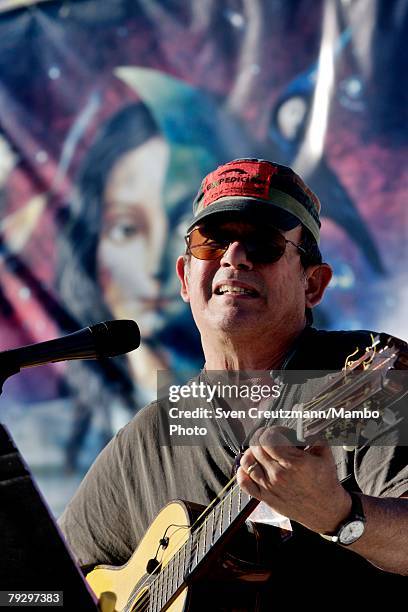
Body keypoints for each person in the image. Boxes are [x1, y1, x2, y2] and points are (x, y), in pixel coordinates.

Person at [59, 159, 408, 607]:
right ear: (186, 277)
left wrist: (340, 516)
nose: (233, 256)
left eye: (262, 244)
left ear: (313, 284)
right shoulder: (151, 436)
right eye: (212, 243)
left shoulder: (365, 375)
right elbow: (45, 585)